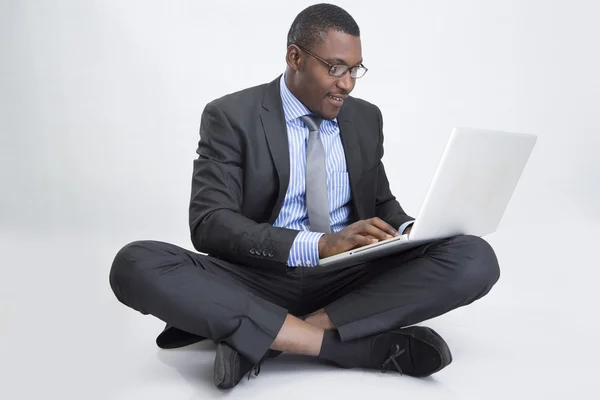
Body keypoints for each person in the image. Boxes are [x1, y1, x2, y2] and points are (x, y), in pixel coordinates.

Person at [109, 3, 500, 390]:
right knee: (135, 262)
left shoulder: (365, 118)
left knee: (475, 257)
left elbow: (380, 203)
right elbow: (210, 223)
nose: (346, 83)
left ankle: (272, 337)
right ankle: (349, 349)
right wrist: (320, 244)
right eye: (335, 68)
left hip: (348, 275)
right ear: (295, 57)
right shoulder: (231, 116)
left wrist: (415, 229)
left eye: (354, 70)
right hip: (259, 277)